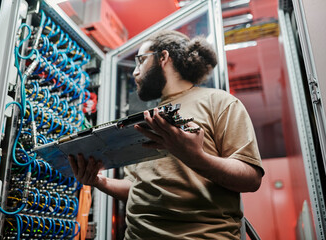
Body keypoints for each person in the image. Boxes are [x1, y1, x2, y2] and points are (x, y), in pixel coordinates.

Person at [68, 30, 264, 239]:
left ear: (163, 58)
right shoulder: (148, 119)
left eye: (141, 61)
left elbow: (251, 178)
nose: (135, 72)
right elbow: (139, 188)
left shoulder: (219, 102)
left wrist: (196, 158)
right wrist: (99, 182)